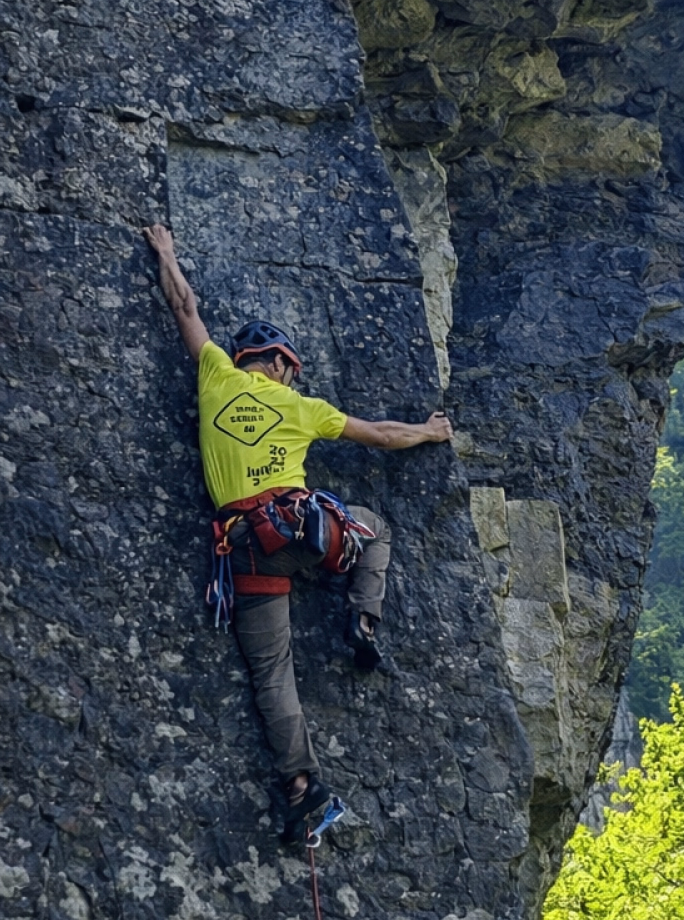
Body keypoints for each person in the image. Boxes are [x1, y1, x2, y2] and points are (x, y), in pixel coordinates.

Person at [142, 224, 452, 836]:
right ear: (283, 365)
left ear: (242, 361)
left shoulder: (214, 377)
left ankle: (302, 786)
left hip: (246, 550)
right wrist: (430, 431)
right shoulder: (301, 407)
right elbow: (383, 436)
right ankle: (363, 618)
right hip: (306, 531)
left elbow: (184, 304)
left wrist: (166, 251)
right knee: (375, 527)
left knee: (272, 673)